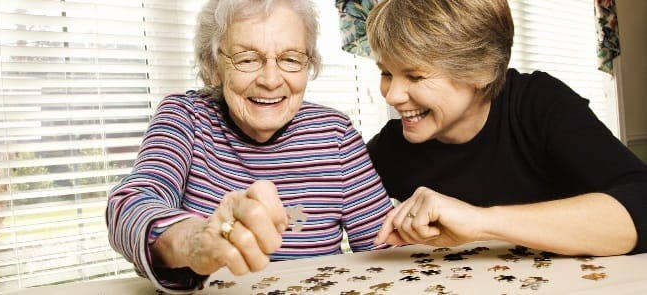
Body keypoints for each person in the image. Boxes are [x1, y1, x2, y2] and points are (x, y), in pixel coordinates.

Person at [106, 0, 393, 293]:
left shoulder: (336, 134)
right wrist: (194, 240)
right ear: (214, 65)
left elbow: (388, 250)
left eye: (291, 59)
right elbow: (130, 205)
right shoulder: (185, 117)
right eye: (247, 59)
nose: (270, 80)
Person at [365, 0, 647, 256]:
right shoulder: (391, 147)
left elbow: (641, 202)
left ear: (479, 70)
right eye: (386, 73)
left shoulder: (539, 104)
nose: (392, 96)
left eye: (414, 76)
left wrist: (481, 222)